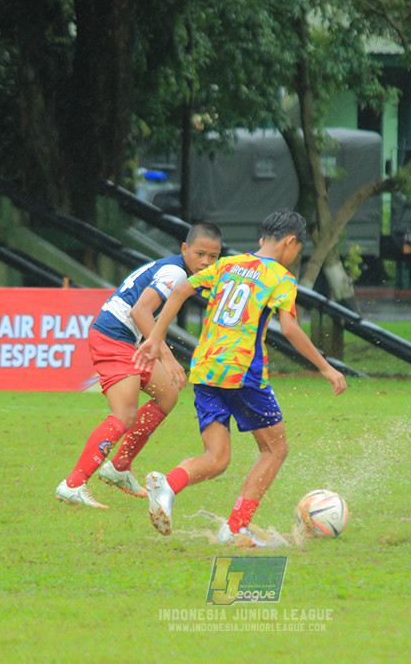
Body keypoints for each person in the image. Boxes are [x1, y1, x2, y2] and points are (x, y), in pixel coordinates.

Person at [132, 210, 347, 546]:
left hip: (205, 369)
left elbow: (178, 292)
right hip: (241, 372)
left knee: (217, 458)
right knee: (275, 450)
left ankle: (169, 485)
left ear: (263, 240)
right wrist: (326, 367)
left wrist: (156, 338)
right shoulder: (280, 277)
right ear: (290, 243)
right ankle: (236, 527)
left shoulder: (227, 265)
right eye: (298, 250)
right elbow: (289, 328)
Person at [54, 223, 223, 508]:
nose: (206, 262)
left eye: (213, 257)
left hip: (126, 339)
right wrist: (169, 360)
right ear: (184, 249)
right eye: (200, 254)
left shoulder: (178, 270)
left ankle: (119, 467)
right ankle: (73, 484)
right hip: (112, 337)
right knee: (124, 414)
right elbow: (140, 311)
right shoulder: (176, 273)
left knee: (168, 394)